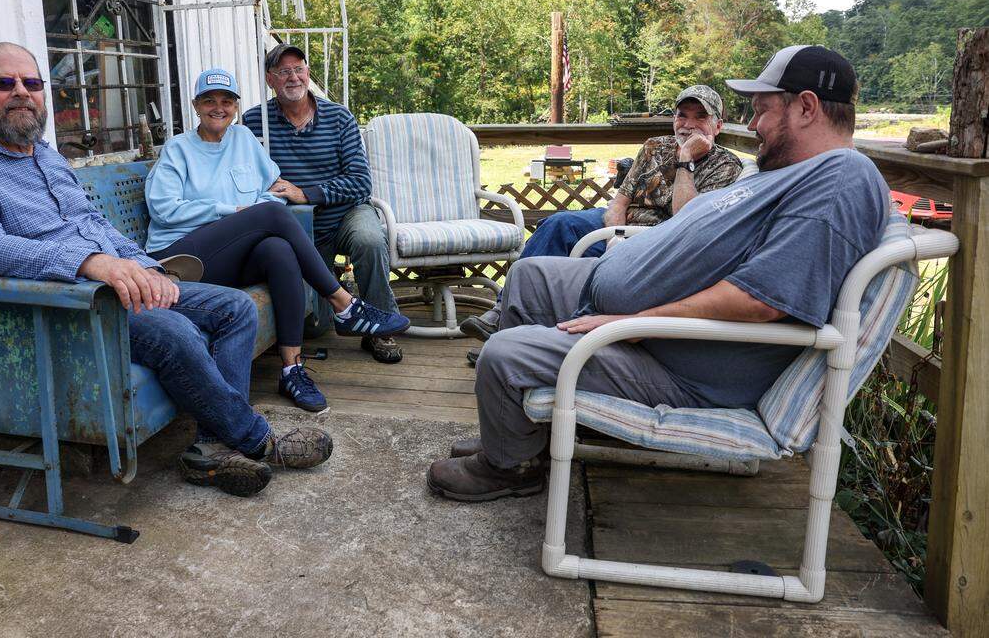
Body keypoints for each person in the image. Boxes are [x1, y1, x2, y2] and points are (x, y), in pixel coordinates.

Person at [427, 45, 888, 502]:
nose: (751, 126)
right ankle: (518, 438)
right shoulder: (792, 171)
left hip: (681, 361)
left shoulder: (841, 179)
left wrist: (633, 322)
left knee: (505, 355)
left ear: (806, 107)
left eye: (761, 111)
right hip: (648, 324)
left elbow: (762, 300)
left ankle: (511, 468)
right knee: (531, 277)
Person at [0, 41, 332, 499]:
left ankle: (211, 446)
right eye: (5, 83)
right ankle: (255, 438)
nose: (21, 92)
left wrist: (148, 268)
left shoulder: (49, 157)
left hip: (119, 281)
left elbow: (96, 225)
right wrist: (89, 263)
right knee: (176, 332)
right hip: (70, 302)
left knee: (235, 308)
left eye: (31, 83)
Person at [144, 68, 410, 413]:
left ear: (236, 107)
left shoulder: (242, 140)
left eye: (227, 101)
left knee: (278, 250)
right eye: (209, 100)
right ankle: (343, 304)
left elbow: (275, 191)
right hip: (177, 261)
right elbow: (164, 210)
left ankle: (291, 369)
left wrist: (251, 211)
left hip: (222, 261)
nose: (218, 108)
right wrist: (234, 211)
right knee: (267, 217)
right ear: (196, 105)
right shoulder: (178, 149)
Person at [459, 85, 743, 346]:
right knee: (558, 226)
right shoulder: (655, 146)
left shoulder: (727, 165)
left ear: (717, 126)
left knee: (570, 252)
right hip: (619, 229)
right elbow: (619, 201)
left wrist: (685, 160)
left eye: (700, 117)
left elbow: (686, 219)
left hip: (658, 242)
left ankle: (512, 336)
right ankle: (501, 314)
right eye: (682, 115)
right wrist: (614, 238)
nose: (689, 124)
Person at [242, 45, 405, 365]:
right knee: (314, 328)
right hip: (298, 228)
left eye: (299, 69)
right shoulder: (253, 121)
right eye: (284, 72)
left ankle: (381, 328)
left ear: (307, 72)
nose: (293, 77)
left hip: (346, 213)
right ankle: (339, 290)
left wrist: (308, 192)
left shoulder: (339, 117)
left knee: (370, 239)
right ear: (269, 80)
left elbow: (361, 182)